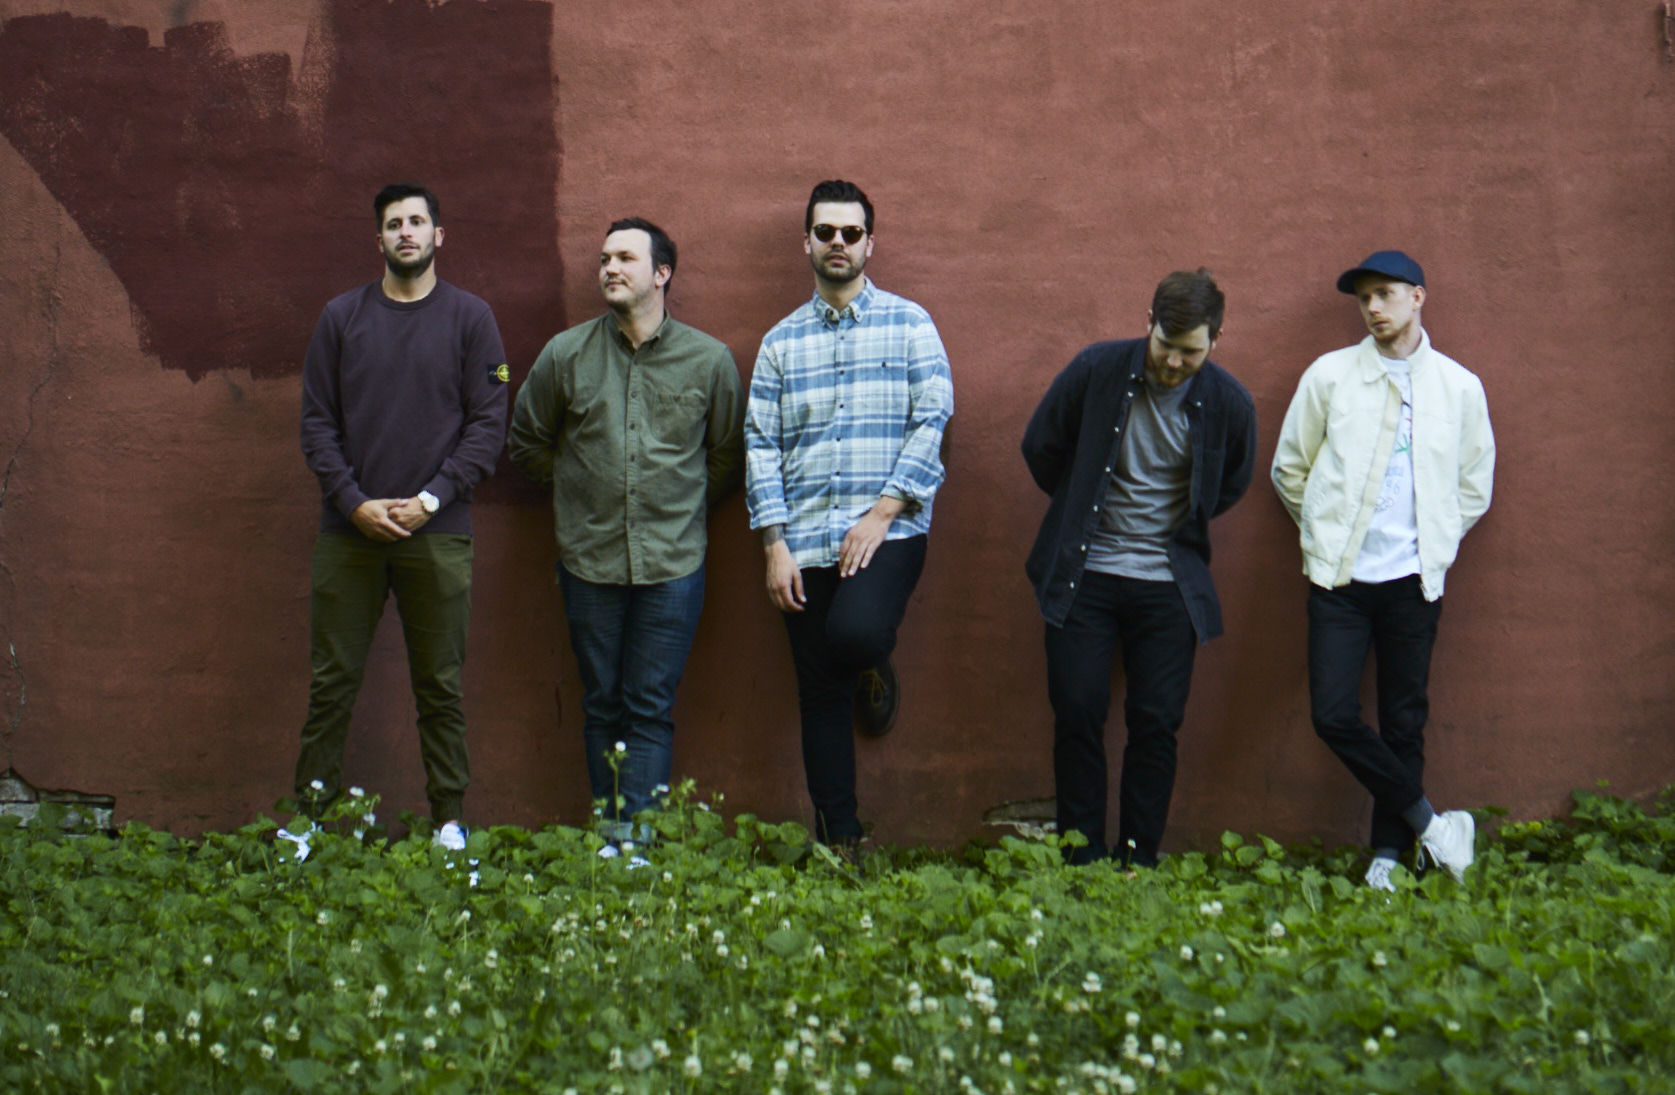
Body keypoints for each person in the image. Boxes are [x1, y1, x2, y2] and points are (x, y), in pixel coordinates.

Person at [509, 218, 743, 852]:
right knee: (602, 703)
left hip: (673, 563)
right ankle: (612, 838)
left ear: (661, 273)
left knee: (648, 706)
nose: (609, 268)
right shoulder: (565, 355)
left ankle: (637, 843)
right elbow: (526, 440)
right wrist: (576, 491)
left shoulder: (709, 360)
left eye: (625, 258)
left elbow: (726, 454)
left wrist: (682, 505)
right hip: (589, 560)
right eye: (604, 258)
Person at [290, 182, 510, 854]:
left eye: (417, 221)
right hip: (349, 533)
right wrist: (352, 502)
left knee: (439, 685)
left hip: (436, 533)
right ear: (378, 239)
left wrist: (431, 499)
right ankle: (307, 823)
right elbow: (317, 422)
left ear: (438, 235)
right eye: (394, 224)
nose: (406, 232)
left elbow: (488, 424)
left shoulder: (471, 318)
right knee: (332, 684)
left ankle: (449, 823)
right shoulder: (342, 317)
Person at [1271, 250, 1495, 890]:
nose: (1372, 307)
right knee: (1333, 714)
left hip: (1413, 584)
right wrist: (1324, 535)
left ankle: (1389, 856)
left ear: (1418, 296)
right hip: (1339, 582)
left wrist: (1434, 546)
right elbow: (1290, 469)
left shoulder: (1459, 387)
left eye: (1386, 294)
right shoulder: (1330, 376)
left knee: (1404, 722)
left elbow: (1473, 485)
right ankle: (1434, 826)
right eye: (1364, 297)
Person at [1022, 269, 1256, 868]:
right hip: (1085, 573)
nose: (1174, 362)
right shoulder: (1096, 370)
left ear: (1217, 340)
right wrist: (1079, 506)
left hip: (1169, 582)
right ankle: (1081, 858)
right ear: (1147, 323)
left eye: (1191, 352)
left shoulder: (1229, 403)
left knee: (1156, 722)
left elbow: (1229, 484)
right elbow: (1040, 445)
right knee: (1078, 710)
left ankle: (1137, 859)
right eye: (1166, 345)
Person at [744, 180, 954, 847]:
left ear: (870, 244)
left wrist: (881, 513)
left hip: (889, 530)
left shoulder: (910, 323)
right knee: (819, 692)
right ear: (806, 242)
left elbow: (934, 418)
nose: (838, 242)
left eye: (851, 233)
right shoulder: (779, 343)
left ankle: (873, 660)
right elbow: (759, 444)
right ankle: (841, 838)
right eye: (825, 232)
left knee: (857, 634)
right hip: (803, 538)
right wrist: (773, 544)